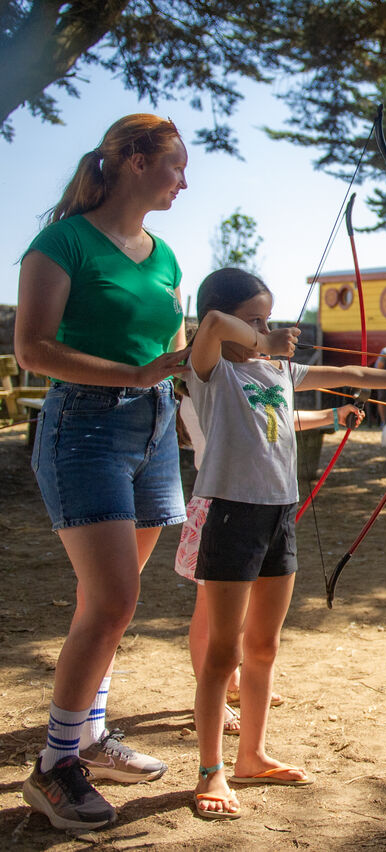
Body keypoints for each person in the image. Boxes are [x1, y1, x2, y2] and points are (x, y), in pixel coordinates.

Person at [184, 267, 386, 820]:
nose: (265, 329)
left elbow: (350, 371)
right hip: (232, 515)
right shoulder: (209, 372)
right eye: (252, 320)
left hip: (278, 516)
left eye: (268, 318)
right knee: (222, 652)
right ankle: (212, 769)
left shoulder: (280, 370)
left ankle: (251, 755)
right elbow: (210, 323)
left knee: (264, 647)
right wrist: (261, 340)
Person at [15, 114, 190, 832]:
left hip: (153, 432)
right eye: (177, 165)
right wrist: (139, 371)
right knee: (113, 601)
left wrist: (237, 353)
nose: (185, 180)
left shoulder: (167, 255)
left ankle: (87, 735)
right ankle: (54, 766)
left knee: (113, 601)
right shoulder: (62, 241)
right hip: (83, 429)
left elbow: (178, 352)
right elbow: (32, 348)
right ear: (137, 161)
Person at [174, 391, 365, 735]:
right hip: (221, 507)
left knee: (242, 607)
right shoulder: (210, 389)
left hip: (250, 505)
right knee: (210, 614)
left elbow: (274, 420)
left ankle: (232, 683)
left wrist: (331, 416)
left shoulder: (237, 385)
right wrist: (329, 415)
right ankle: (210, 699)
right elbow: (266, 422)